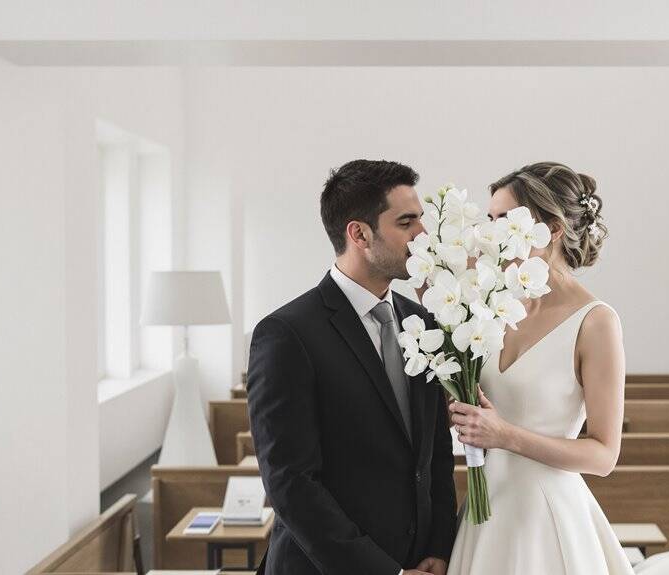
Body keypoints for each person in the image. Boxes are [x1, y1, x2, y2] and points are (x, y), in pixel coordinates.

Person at [247, 160, 458, 575]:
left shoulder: (425, 322)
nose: (423, 235)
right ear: (359, 233)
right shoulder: (287, 334)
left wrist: (439, 545)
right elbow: (291, 483)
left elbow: (435, 452)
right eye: (406, 222)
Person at [445, 161, 634, 575]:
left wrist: (505, 435)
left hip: (547, 517)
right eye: (489, 219)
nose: (487, 233)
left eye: (502, 220)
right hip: (487, 508)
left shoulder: (596, 322)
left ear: (552, 230)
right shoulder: (490, 307)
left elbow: (604, 455)